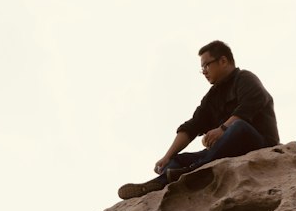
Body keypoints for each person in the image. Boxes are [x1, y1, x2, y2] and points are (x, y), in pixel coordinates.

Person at [118, 41, 278, 200]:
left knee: (238, 127)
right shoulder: (212, 96)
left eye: (206, 66)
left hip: (259, 144)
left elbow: (250, 106)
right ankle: (161, 182)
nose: (204, 72)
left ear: (223, 61)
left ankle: (192, 172)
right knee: (177, 158)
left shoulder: (245, 78)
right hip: (225, 151)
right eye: (202, 68)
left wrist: (222, 129)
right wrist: (167, 156)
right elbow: (193, 126)